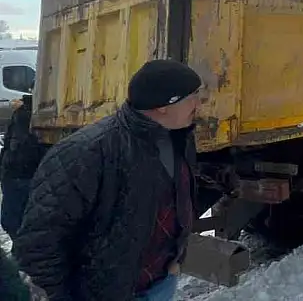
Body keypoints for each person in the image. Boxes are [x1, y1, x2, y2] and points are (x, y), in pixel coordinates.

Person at [14, 60, 203, 301]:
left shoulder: (179, 138)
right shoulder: (86, 152)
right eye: (193, 96)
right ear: (164, 105)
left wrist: (175, 259)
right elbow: (39, 242)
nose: (199, 104)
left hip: (160, 285)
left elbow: (170, 204)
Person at [1, 93, 45, 237]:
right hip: (16, 175)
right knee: (12, 221)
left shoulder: (35, 114)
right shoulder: (23, 114)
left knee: (16, 222)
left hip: (22, 176)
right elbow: (9, 144)